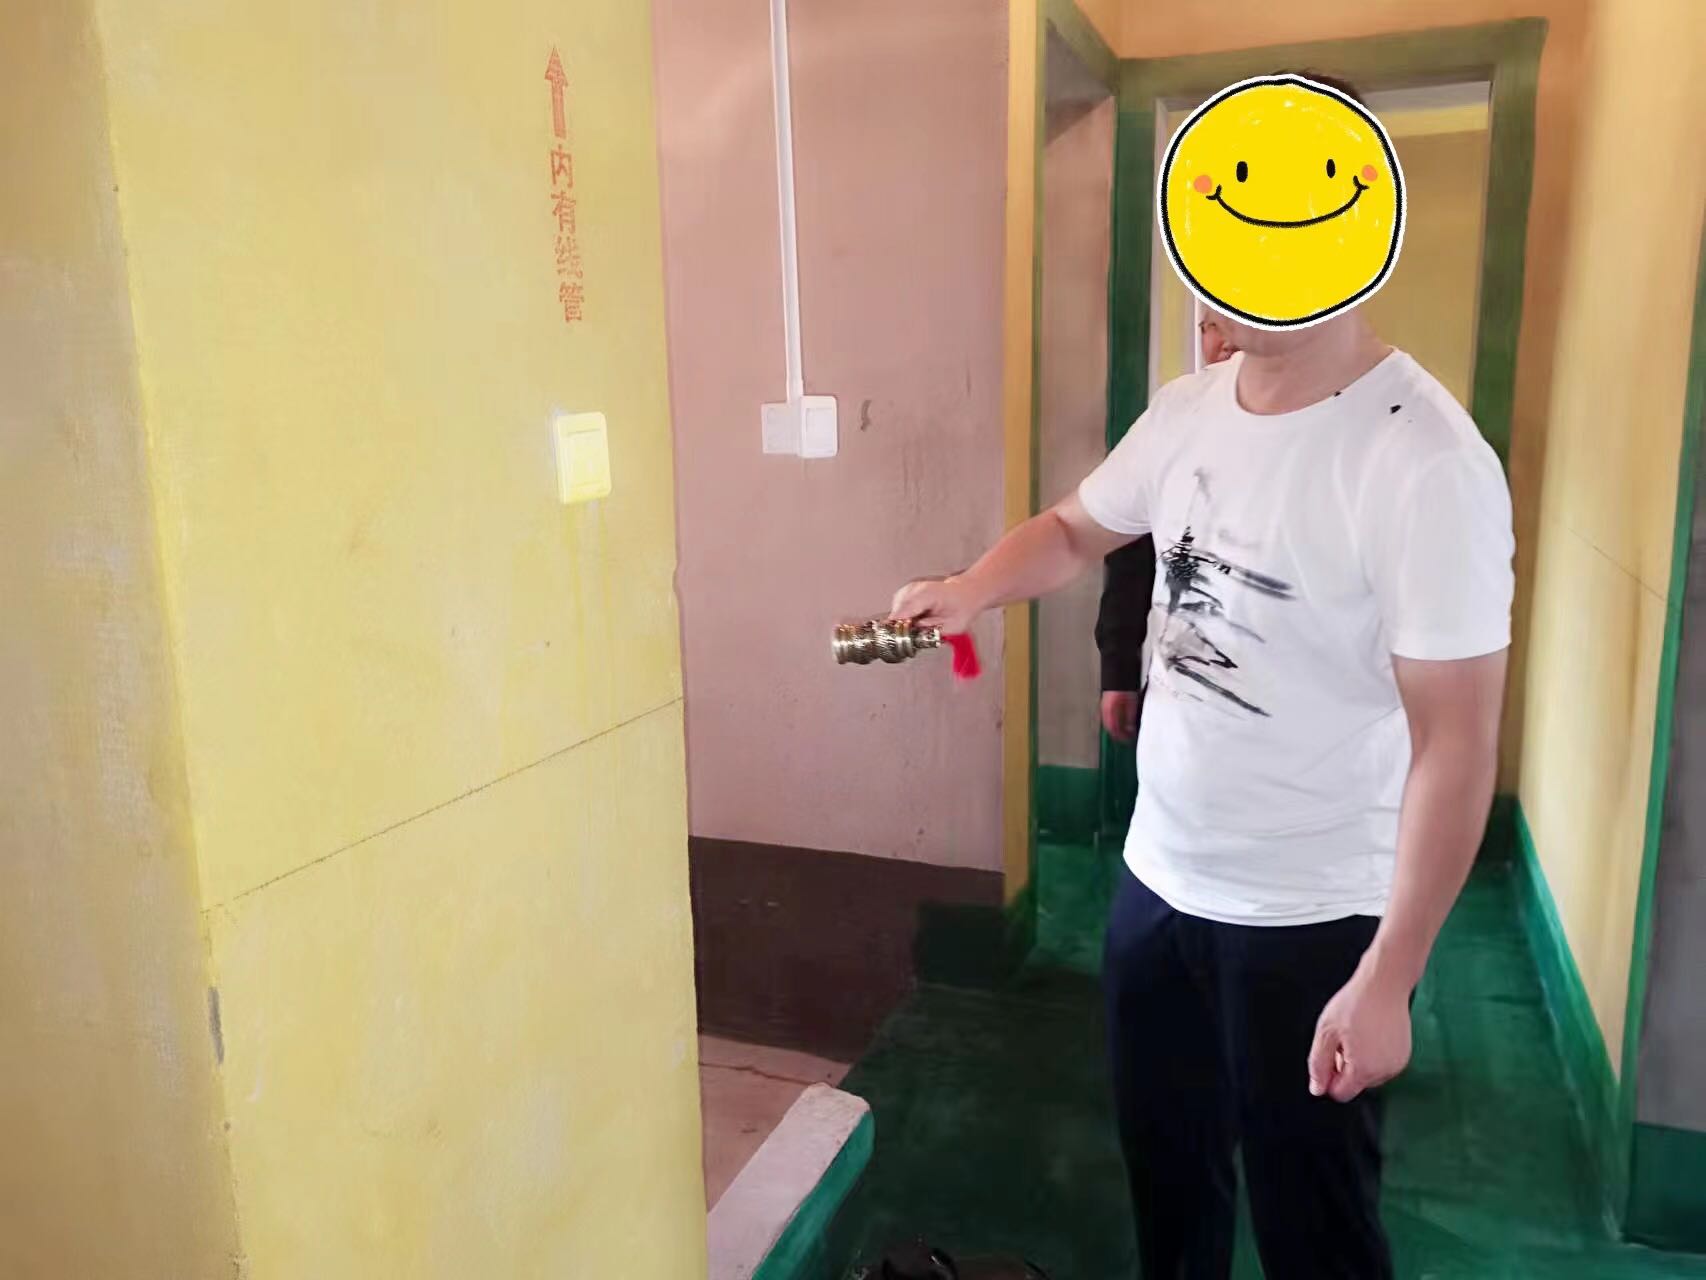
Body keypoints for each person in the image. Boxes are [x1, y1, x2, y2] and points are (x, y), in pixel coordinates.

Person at [890, 303, 1513, 1273]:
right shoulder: (1186, 410)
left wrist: (1390, 975)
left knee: (1314, 1220)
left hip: (1313, 913)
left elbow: (1456, 743)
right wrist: (971, 588)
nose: (1210, 298)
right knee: (1169, 1184)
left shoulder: (1426, 460)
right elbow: (1072, 530)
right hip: (1158, 883)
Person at [1097, 315, 1238, 746]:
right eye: (1212, 326)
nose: (1227, 340)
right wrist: (1118, 671)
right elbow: (1127, 551)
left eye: (1239, 319)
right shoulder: (1176, 421)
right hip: (1181, 704)